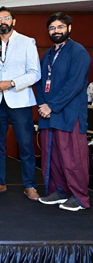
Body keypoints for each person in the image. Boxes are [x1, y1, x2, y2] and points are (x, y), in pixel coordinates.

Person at [0, 6, 41, 200]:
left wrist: (12, 83)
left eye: (6, 18)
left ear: (14, 21)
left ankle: (30, 185)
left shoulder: (27, 42)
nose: (2, 22)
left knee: (26, 145)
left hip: (19, 100)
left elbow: (35, 73)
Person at [36, 13, 91, 211]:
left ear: (69, 28)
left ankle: (79, 197)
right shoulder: (48, 54)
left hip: (69, 113)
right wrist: (43, 106)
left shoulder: (78, 52)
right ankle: (60, 191)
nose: (56, 31)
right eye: (52, 28)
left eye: (60, 27)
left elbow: (75, 84)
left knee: (72, 157)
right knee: (53, 156)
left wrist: (52, 106)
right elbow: (41, 83)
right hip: (48, 114)